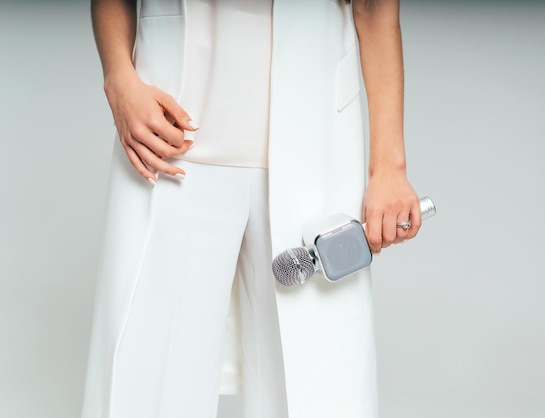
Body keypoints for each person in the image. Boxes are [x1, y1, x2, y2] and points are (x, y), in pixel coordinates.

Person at [81, 0, 422, 417]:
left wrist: (390, 166)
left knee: (323, 387)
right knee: (144, 379)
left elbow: (375, 7)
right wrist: (117, 75)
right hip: (165, 142)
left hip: (316, 146)